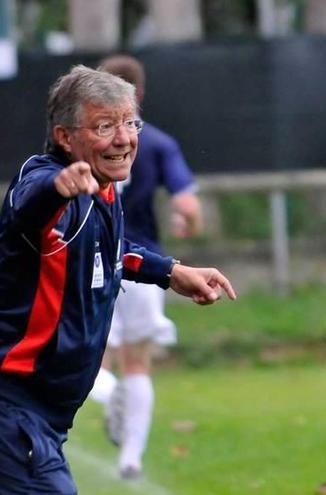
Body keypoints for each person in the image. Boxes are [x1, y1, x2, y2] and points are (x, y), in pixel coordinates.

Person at [0, 65, 236, 494]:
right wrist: (58, 187)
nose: (124, 138)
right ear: (65, 137)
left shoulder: (103, 189)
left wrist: (171, 272)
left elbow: (112, 248)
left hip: (33, 415)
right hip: (2, 407)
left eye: (129, 123)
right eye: (105, 126)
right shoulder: (43, 180)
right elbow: (29, 207)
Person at [87, 53, 203, 481]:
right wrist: (186, 222)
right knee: (137, 362)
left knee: (93, 359)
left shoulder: (83, 142)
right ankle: (130, 458)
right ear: (140, 93)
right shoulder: (156, 143)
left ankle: (111, 393)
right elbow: (188, 204)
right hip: (145, 267)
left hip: (92, 264)